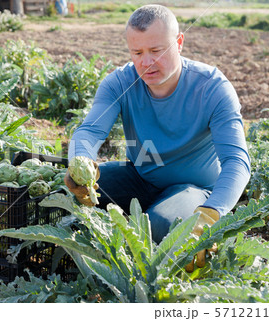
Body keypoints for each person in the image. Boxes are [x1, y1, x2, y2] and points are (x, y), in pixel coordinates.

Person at [64, 4, 251, 272]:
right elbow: (90, 131)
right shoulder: (119, 82)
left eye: (157, 51)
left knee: (158, 226)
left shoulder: (212, 88)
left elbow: (237, 162)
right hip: (140, 177)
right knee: (66, 196)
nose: (146, 62)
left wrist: (212, 211)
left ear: (179, 42)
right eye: (137, 52)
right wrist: (79, 163)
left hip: (195, 189)